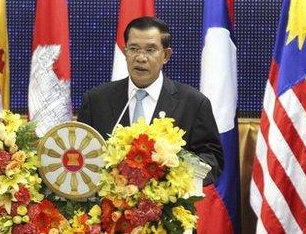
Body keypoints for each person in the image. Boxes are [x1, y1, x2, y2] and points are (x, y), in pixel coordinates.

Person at [77, 17, 223, 185]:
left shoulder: (193, 103)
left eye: (150, 50)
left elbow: (212, 160)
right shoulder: (96, 100)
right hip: (109, 206)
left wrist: (172, 176)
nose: (140, 57)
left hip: (168, 206)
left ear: (166, 55)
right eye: (133, 49)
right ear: (125, 52)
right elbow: (83, 156)